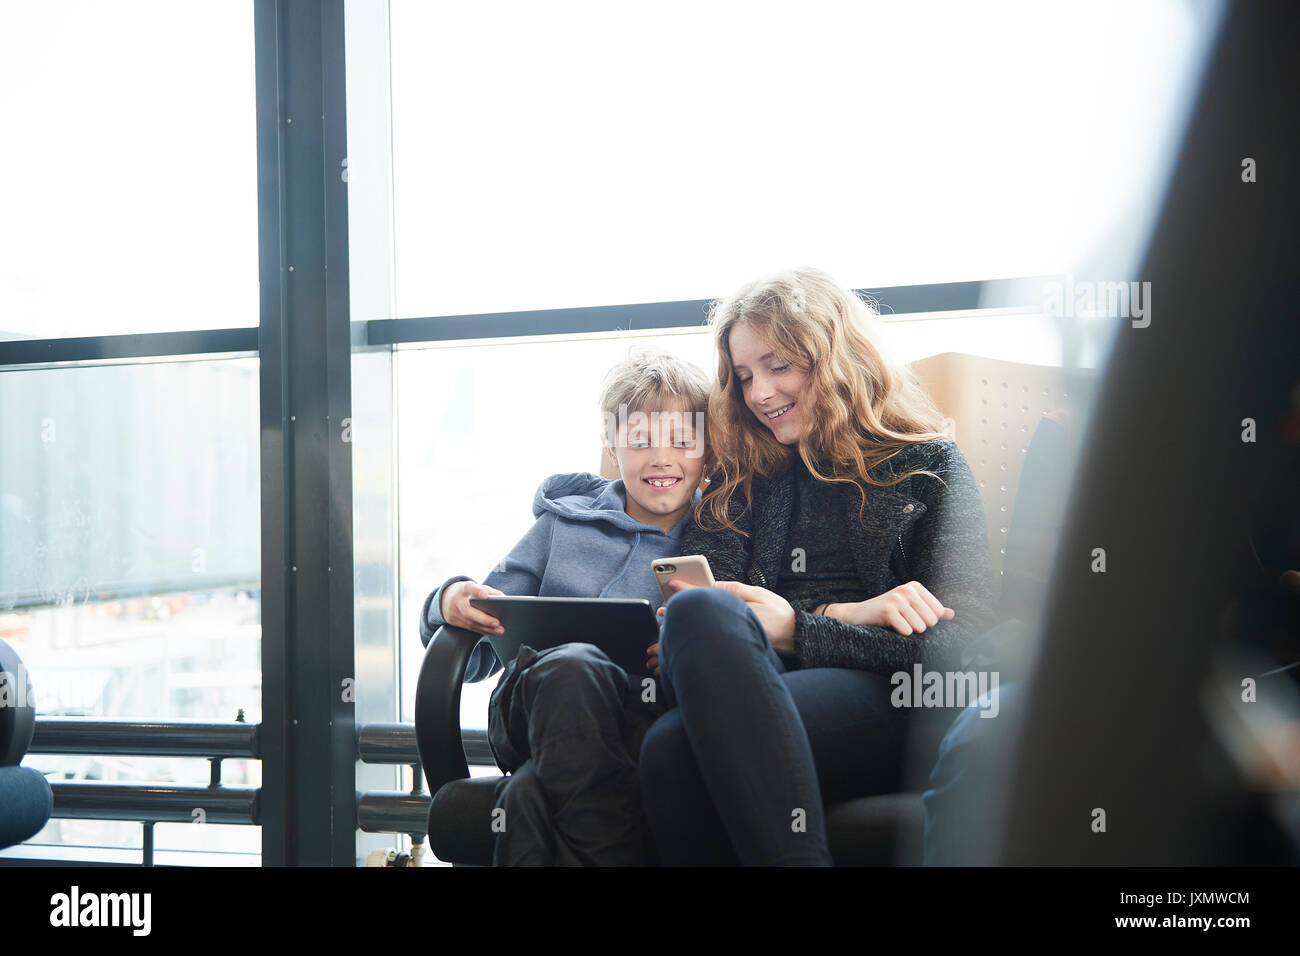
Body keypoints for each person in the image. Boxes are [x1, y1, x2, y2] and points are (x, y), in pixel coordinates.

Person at [639, 267, 998, 865]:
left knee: (671, 753)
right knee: (698, 613)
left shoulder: (929, 466)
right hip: (744, 682)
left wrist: (798, 629)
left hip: (892, 695)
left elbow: (968, 646)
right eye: (746, 375)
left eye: (779, 367)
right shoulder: (737, 482)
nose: (759, 394)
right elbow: (699, 626)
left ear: (834, 357)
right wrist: (844, 614)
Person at [418, 346, 711, 865]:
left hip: (645, 721)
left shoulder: (723, 536)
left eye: (683, 440)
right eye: (639, 440)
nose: (661, 458)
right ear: (610, 445)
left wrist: (687, 648)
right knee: (574, 665)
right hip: (533, 710)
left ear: (709, 447)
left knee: (527, 799)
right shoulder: (562, 525)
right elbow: (486, 625)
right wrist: (447, 601)